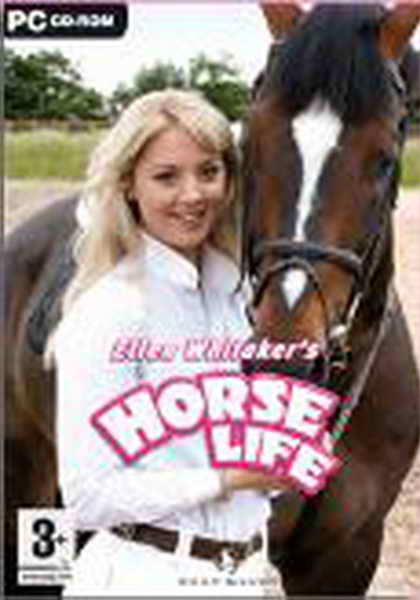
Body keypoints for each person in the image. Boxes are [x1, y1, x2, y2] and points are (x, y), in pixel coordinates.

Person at [51, 89, 290, 597]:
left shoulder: (237, 299)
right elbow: (87, 498)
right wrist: (225, 477)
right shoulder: (111, 311)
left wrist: (281, 458)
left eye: (209, 171)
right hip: (145, 578)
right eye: (166, 177)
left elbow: (249, 467)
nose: (193, 194)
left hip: (241, 575)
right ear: (128, 185)